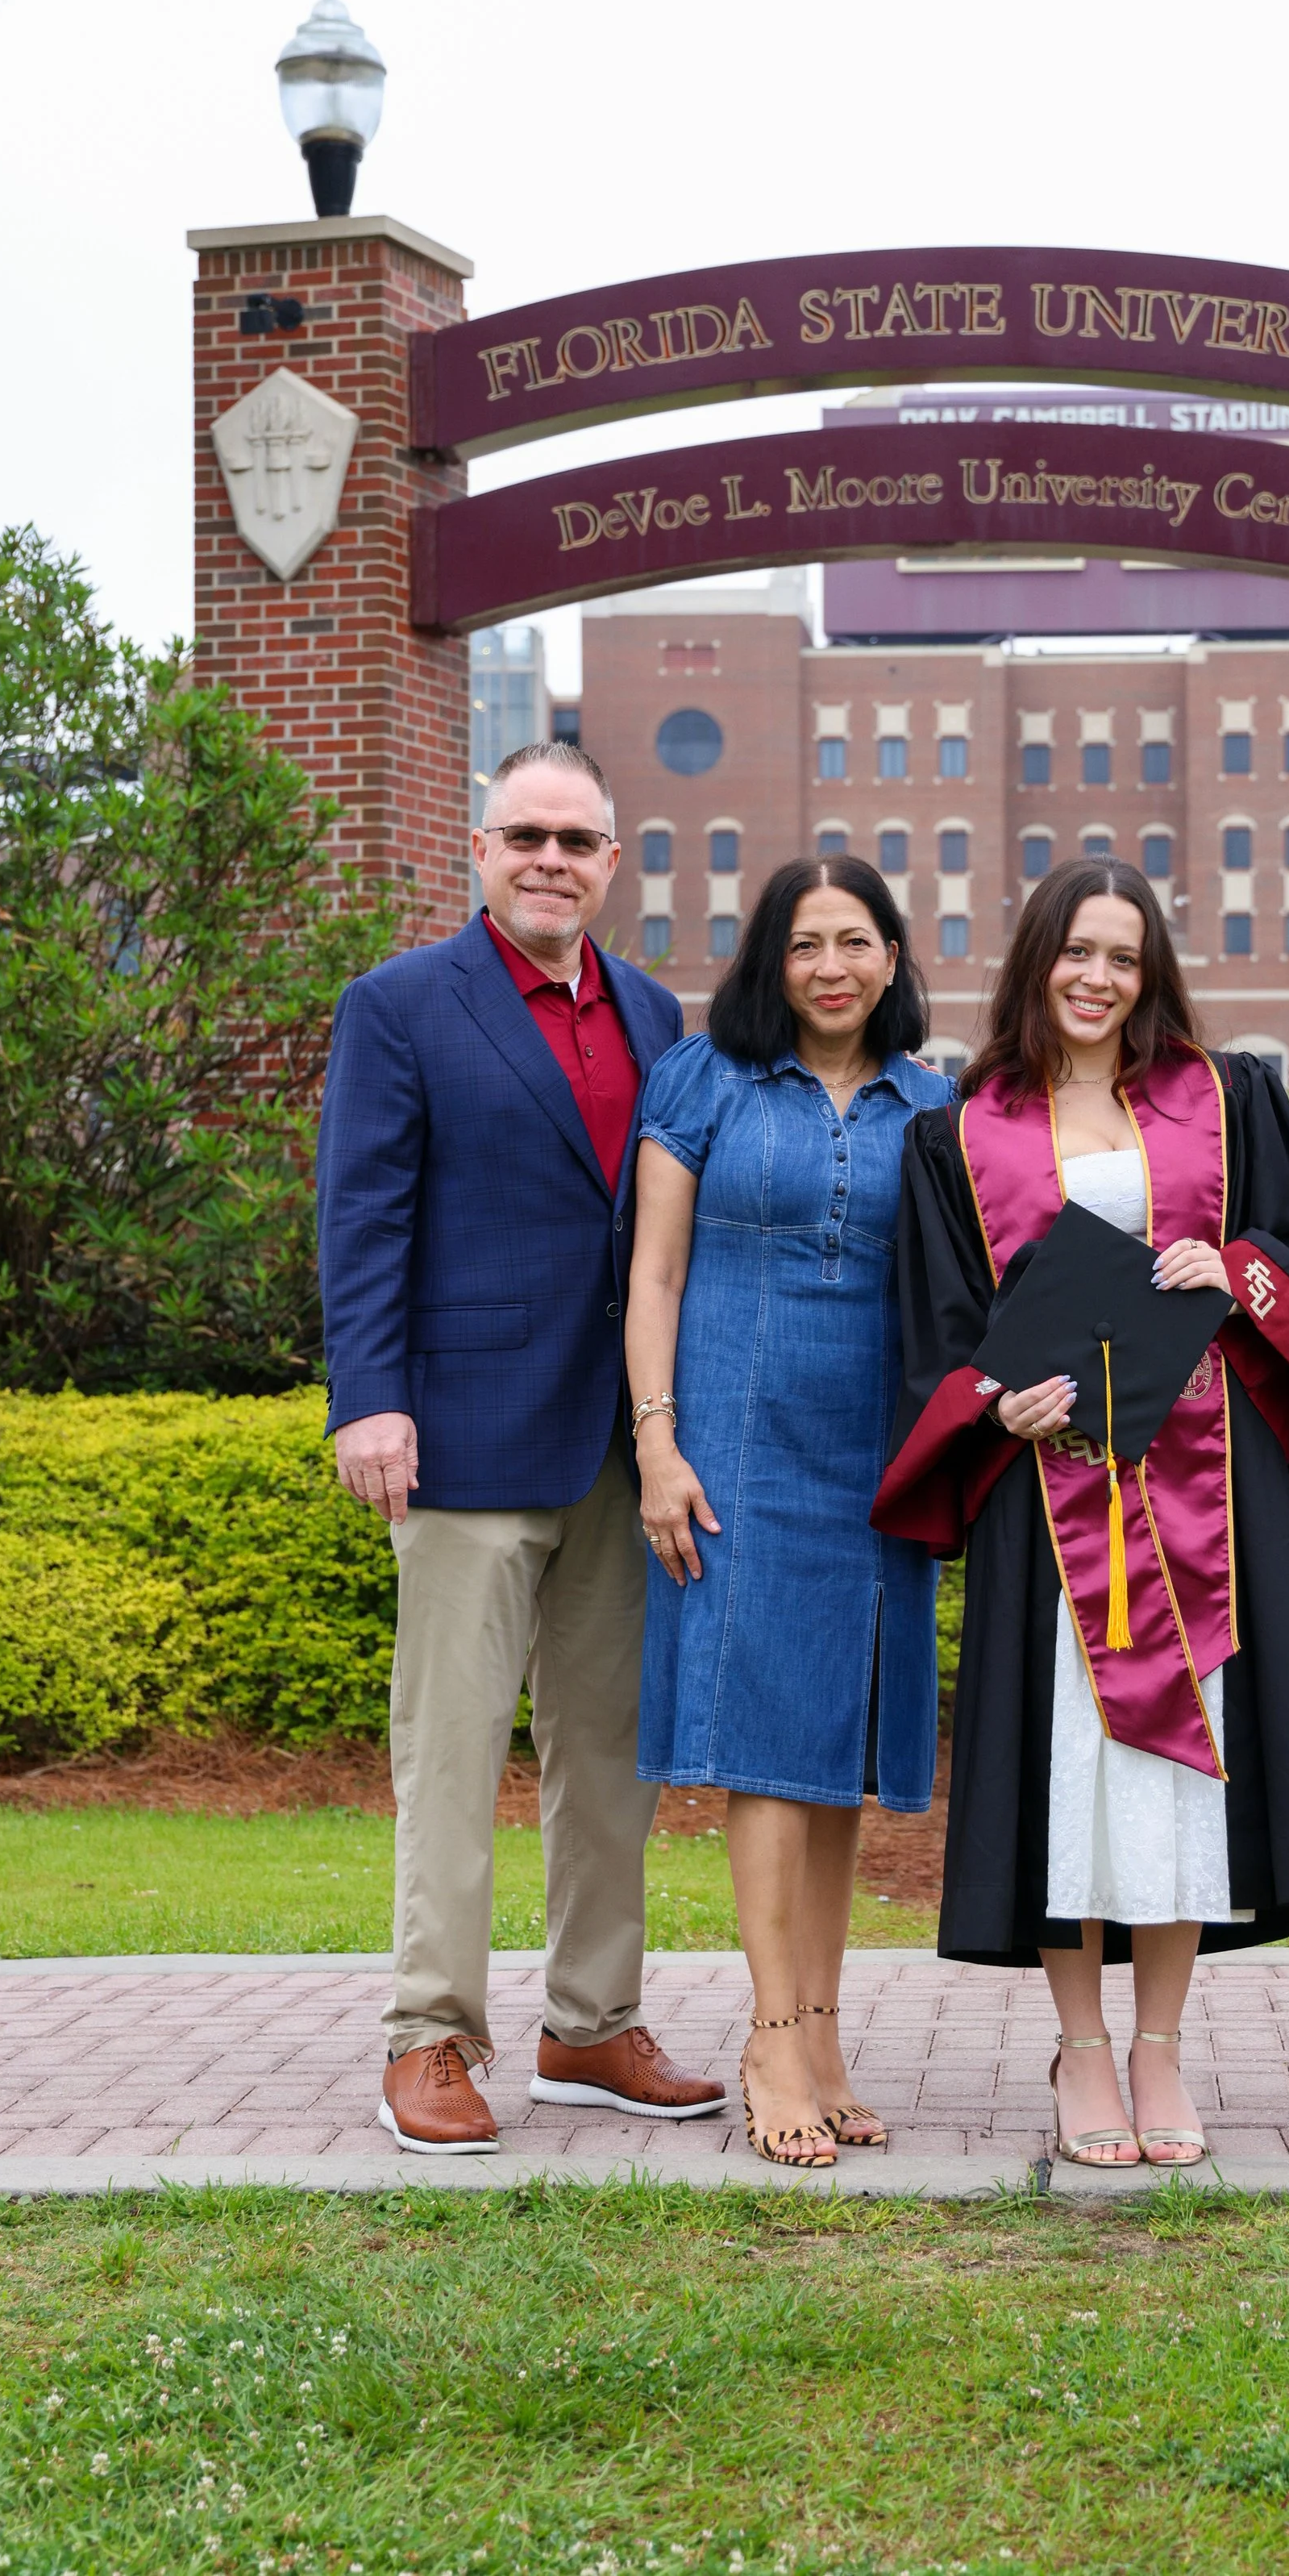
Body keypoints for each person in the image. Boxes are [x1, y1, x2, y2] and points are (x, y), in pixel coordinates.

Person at [874, 859, 1289, 2170]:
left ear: (1151, 971)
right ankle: (1081, 2053)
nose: (1099, 978)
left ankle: (1160, 2050)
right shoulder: (960, 1128)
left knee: (1176, 1777)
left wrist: (1240, 1272)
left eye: (1124, 956)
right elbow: (935, 1335)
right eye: (1077, 952)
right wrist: (994, 1407)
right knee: (1067, 1772)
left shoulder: (1230, 1099)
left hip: (1204, 1491)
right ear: (1036, 957)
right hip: (1046, 1508)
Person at [318, 739, 725, 2152]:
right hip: (464, 1435)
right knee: (450, 1751)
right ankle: (431, 2038)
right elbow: (362, 1215)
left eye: (578, 840)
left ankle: (592, 2025)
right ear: (478, 853)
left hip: (623, 1446)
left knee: (610, 1755)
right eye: (526, 835)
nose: (551, 858)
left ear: (613, 864)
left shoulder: (660, 1015)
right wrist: (367, 1397)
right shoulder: (401, 1008)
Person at [626, 857, 951, 2167]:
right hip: (736, 1450)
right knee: (764, 1745)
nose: (832, 965)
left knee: (837, 1761)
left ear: (892, 958)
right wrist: (658, 1444)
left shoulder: (933, 1102)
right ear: (769, 958)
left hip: (878, 1461)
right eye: (806, 942)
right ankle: (768, 2037)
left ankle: (822, 2033)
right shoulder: (700, 1080)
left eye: (857, 941)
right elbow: (653, 1273)